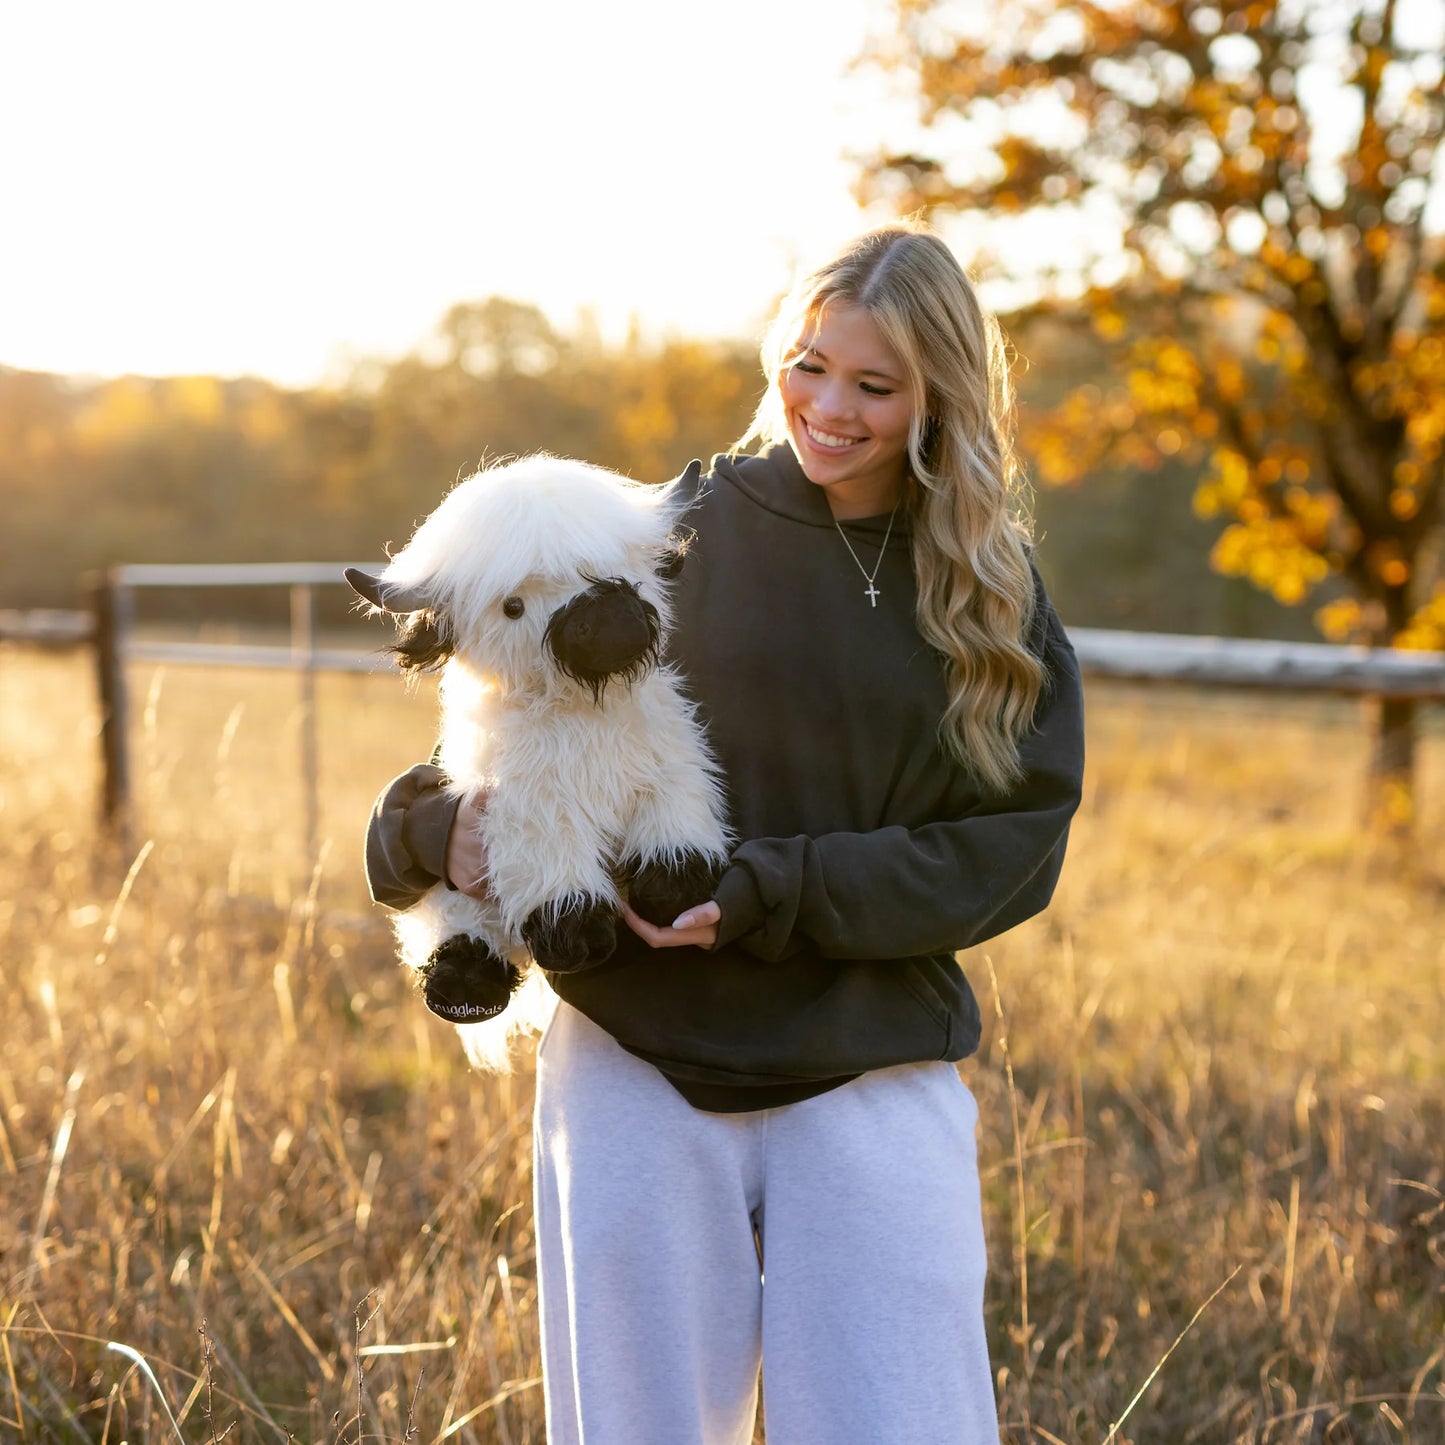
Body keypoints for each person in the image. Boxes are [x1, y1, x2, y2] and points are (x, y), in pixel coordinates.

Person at [365, 223, 1086, 1445]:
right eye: (810, 365)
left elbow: (1012, 843)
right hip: (635, 1060)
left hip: (870, 1067)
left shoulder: (987, 588)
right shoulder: (659, 530)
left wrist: (766, 890)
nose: (829, 408)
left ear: (939, 394)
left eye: (874, 384)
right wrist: (431, 834)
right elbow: (492, 712)